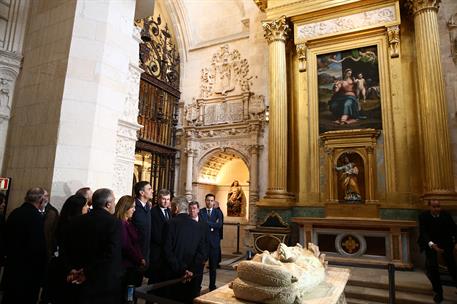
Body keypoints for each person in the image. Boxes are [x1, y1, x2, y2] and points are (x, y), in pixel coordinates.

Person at [64, 188, 122, 304]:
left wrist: (73, 270)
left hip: (77, 278)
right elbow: (111, 254)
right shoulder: (113, 222)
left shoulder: (77, 220)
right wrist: (87, 272)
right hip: (102, 281)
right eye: (114, 201)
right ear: (108, 204)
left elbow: (67, 248)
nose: (115, 204)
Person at [2, 187, 48, 304]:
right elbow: (38, 247)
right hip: (28, 272)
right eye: (45, 197)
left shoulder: (15, 212)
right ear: (41, 200)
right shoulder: (36, 217)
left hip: (12, 267)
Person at [163, 196, 206, 303]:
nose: (170, 208)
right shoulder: (197, 226)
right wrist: (191, 270)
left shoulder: (169, 223)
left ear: (176, 208)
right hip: (191, 276)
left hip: (173, 275)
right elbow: (201, 252)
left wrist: (181, 269)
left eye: (172, 206)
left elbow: (167, 250)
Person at [46, 194, 88, 304]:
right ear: (78, 208)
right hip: (70, 270)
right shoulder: (76, 226)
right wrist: (73, 269)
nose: (87, 208)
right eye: (85, 206)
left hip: (64, 267)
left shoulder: (62, 223)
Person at [418, 200, 457, 303]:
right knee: (433, 268)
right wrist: (431, 244)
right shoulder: (423, 216)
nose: (436, 209)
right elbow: (423, 232)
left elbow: (454, 229)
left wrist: (456, 242)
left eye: (438, 207)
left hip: (446, 244)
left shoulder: (446, 215)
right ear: (429, 207)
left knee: (452, 266)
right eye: (434, 207)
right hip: (431, 244)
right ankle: (438, 292)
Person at [114, 195, 146, 299]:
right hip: (126, 268)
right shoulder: (121, 223)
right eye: (132, 207)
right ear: (125, 207)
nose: (134, 209)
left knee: (131, 296)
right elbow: (126, 245)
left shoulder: (128, 223)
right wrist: (139, 259)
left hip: (132, 266)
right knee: (128, 297)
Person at [199, 193, 223, 291]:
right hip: (203, 244)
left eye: (211, 201)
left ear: (214, 202)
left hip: (214, 244)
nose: (210, 202)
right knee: (200, 267)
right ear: (205, 201)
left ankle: (212, 286)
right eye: (208, 200)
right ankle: (198, 286)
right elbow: (201, 223)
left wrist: (208, 223)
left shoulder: (218, 212)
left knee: (213, 268)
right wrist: (213, 224)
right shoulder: (201, 212)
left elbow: (219, 225)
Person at [147, 188, 171, 285]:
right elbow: (153, 232)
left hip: (165, 251)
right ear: (158, 199)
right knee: (153, 278)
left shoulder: (169, 212)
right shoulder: (153, 212)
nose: (166, 202)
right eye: (163, 199)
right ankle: (149, 300)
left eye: (168, 199)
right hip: (156, 250)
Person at [189, 201, 208, 295]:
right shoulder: (186, 222)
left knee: (197, 282)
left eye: (194, 208)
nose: (192, 210)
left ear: (198, 210)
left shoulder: (204, 224)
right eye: (190, 208)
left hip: (200, 259)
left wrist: (205, 257)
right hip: (187, 258)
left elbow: (206, 242)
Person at [132, 181, 152, 268]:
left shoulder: (147, 206)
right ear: (141, 192)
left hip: (145, 251)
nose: (152, 191)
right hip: (135, 254)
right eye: (149, 189)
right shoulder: (133, 207)